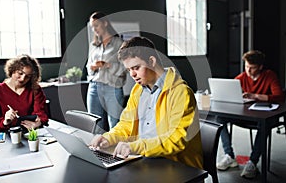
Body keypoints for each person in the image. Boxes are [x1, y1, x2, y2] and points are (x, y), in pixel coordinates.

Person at [90, 36, 203, 169]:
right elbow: (126, 125)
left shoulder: (181, 92)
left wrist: (135, 147)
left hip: (178, 167)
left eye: (136, 67)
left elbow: (177, 138)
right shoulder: (137, 90)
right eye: (129, 70)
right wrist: (108, 138)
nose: (132, 74)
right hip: (146, 160)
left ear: (151, 61)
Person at [216, 50, 285, 178]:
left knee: (264, 125)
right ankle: (229, 156)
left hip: (265, 116)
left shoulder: (269, 75)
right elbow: (231, 88)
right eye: (246, 66)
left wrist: (256, 96)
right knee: (219, 118)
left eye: (252, 68)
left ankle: (252, 162)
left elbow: (279, 97)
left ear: (260, 67)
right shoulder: (242, 76)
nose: (248, 71)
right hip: (247, 116)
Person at [86, 11, 126, 132]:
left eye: (96, 25)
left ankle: (115, 150)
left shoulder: (119, 43)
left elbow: (125, 68)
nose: (94, 29)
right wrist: (93, 67)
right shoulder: (93, 45)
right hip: (94, 87)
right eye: (92, 27)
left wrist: (107, 65)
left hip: (112, 88)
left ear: (105, 23)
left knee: (115, 124)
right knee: (94, 124)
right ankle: (97, 150)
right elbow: (88, 67)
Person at [0, 54, 49, 132]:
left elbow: (41, 114)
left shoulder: (35, 89)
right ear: (12, 70)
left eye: (28, 76)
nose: (22, 79)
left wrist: (37, 123)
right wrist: (4, 121)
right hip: (6, 134)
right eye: (20, 73)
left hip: (30, 133)